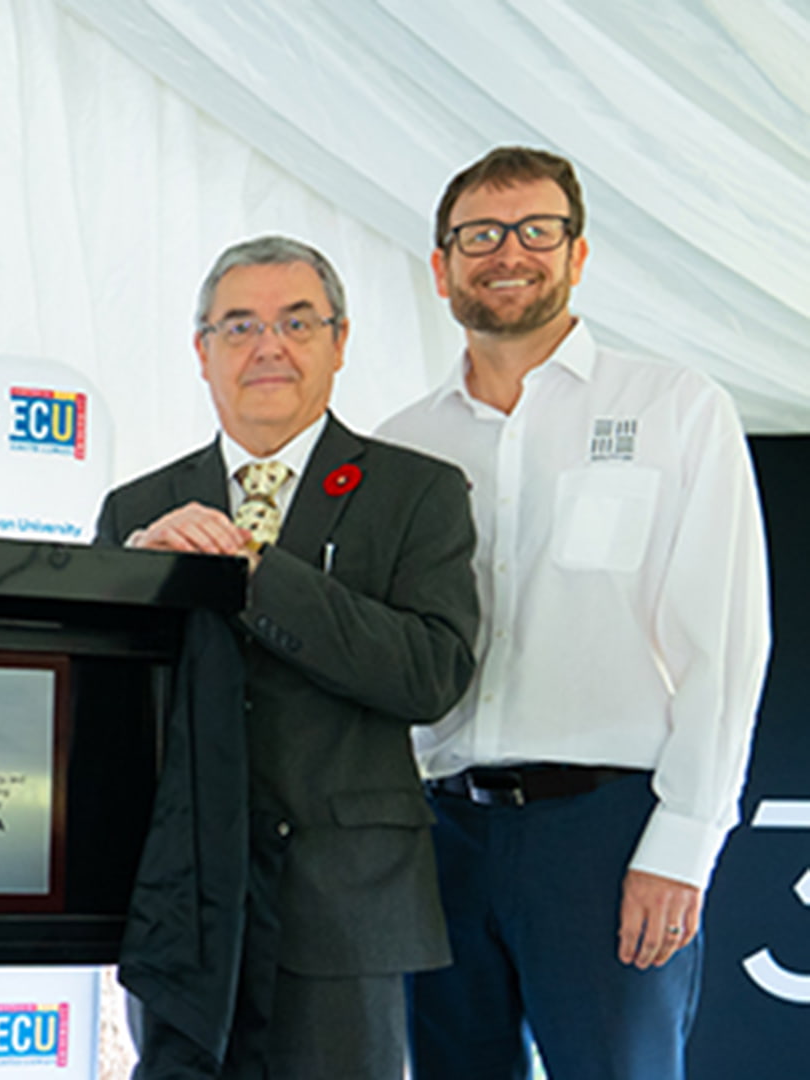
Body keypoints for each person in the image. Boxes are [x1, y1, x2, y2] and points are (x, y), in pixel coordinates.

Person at [379, 146, 770, 1079]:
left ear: (577, 254)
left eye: (536, 231)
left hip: (605, 835)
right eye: (479, 234)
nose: (507, 252)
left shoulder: (677, 409)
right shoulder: (401, 445)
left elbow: (727, 645)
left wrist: (683, 845)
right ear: (441, 267)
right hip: (437, 836)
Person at [97, 235, 479, 1078]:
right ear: (202, 352)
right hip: (182, 900)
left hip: (346, 904)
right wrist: (134, 571)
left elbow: (430, 674)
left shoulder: (418, 491)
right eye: (239, 326)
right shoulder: (141, 507)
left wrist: (258, 576)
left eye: (296, 322)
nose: (268, 345)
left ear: (339, 342)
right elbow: (106, 706)